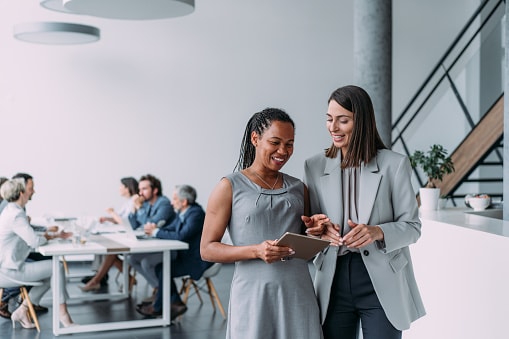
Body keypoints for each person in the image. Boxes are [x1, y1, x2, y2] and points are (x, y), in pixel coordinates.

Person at [302, 85, 426, 339]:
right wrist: (317, 230)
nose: (333, 127)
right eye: (329, 119)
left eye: (343, 120)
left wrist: (378, 231)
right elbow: (313, 229)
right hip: (333, 277)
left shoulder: (394, 165)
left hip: (381, 280)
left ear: (362, 122)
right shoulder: (314, 166)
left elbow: (413, 227)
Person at [200, 108, 323, 339]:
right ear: (255, 138)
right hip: (252, 294)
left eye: (289, 144)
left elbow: (308, 246)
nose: (283, 151)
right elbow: (207, 249)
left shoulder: (299, 188)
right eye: (275, 142)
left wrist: (317, 231)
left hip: (298, 293)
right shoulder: (229, 186)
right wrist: (256, 250)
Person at [0, 179, 76, 329]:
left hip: (7, 267)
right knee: (57, 267)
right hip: (9, 271)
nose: (31, 193)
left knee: (51, 276)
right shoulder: (16, 215)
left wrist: (52, 236)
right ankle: (64, 316)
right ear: (22, 193)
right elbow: (34, 242)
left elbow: (30, 235)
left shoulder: (10, 210)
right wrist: (50, 236)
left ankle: (22, 310)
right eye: (28, 190)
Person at [136, 184, 212, 320]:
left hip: (197, 260)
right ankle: (175, 302)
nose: (171, 202)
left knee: (163, 269)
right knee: (161, 268)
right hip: (186, 257)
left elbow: (181, 235)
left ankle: (159, 307)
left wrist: (157, 232)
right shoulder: (183, 212)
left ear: (184, 202)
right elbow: (172, 228)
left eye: (174, 199)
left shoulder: (196, 214)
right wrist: (155, 228)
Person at [80, 177, 139, 292]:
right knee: (104, 247)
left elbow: (125, 222)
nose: (119, 189)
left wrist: (112, 213)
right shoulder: (127, 202)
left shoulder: (134, 201)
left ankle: (96, 280)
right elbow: (119, 219)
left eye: (121, 186)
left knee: (110, 251)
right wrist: (108, 218)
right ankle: (103, 278)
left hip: (130, 238)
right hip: (124, 235)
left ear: (127, 188)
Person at [127, 174, 176, 300]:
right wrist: (134, 208)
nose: (140, 193)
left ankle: (164, 294)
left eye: (144, 189)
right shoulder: (147, 204)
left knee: (146, 262)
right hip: (155, 245)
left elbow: (149, 225)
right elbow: (133, 225)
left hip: (170, 248)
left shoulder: (164, 204)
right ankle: (159, 289)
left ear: (155, 190)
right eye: (139, 189)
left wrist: (139, 208)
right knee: (131, 258)